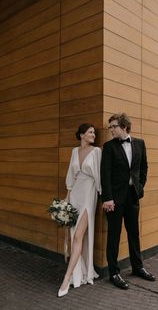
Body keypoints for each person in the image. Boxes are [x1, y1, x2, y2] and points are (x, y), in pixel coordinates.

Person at [101, 113, 156, 290]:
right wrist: (107, 198)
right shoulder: (109, 147)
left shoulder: (140, 144)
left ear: (124, 127)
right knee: (114, 236)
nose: (111, 130)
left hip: (132, 197)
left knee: (134, 234)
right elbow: (105, 174)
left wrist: (139, 187)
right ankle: (114, 273)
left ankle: (138, 267)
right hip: (114, 200)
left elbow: (144, 167)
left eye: (113, 126)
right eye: (110, 127)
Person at [58, 123, 101, 297]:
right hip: (75, 194)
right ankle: (79, 270)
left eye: (94, 133)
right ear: (82, 134)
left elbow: (100, 176)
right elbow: (71, 175)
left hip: (89, 194)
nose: (93, 135)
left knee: (77, 236)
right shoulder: (74, 152)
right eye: (90, 132)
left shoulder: (97, 151)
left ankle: (66, 278)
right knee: (75, 236)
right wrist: (67, 198)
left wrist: (105, 196)